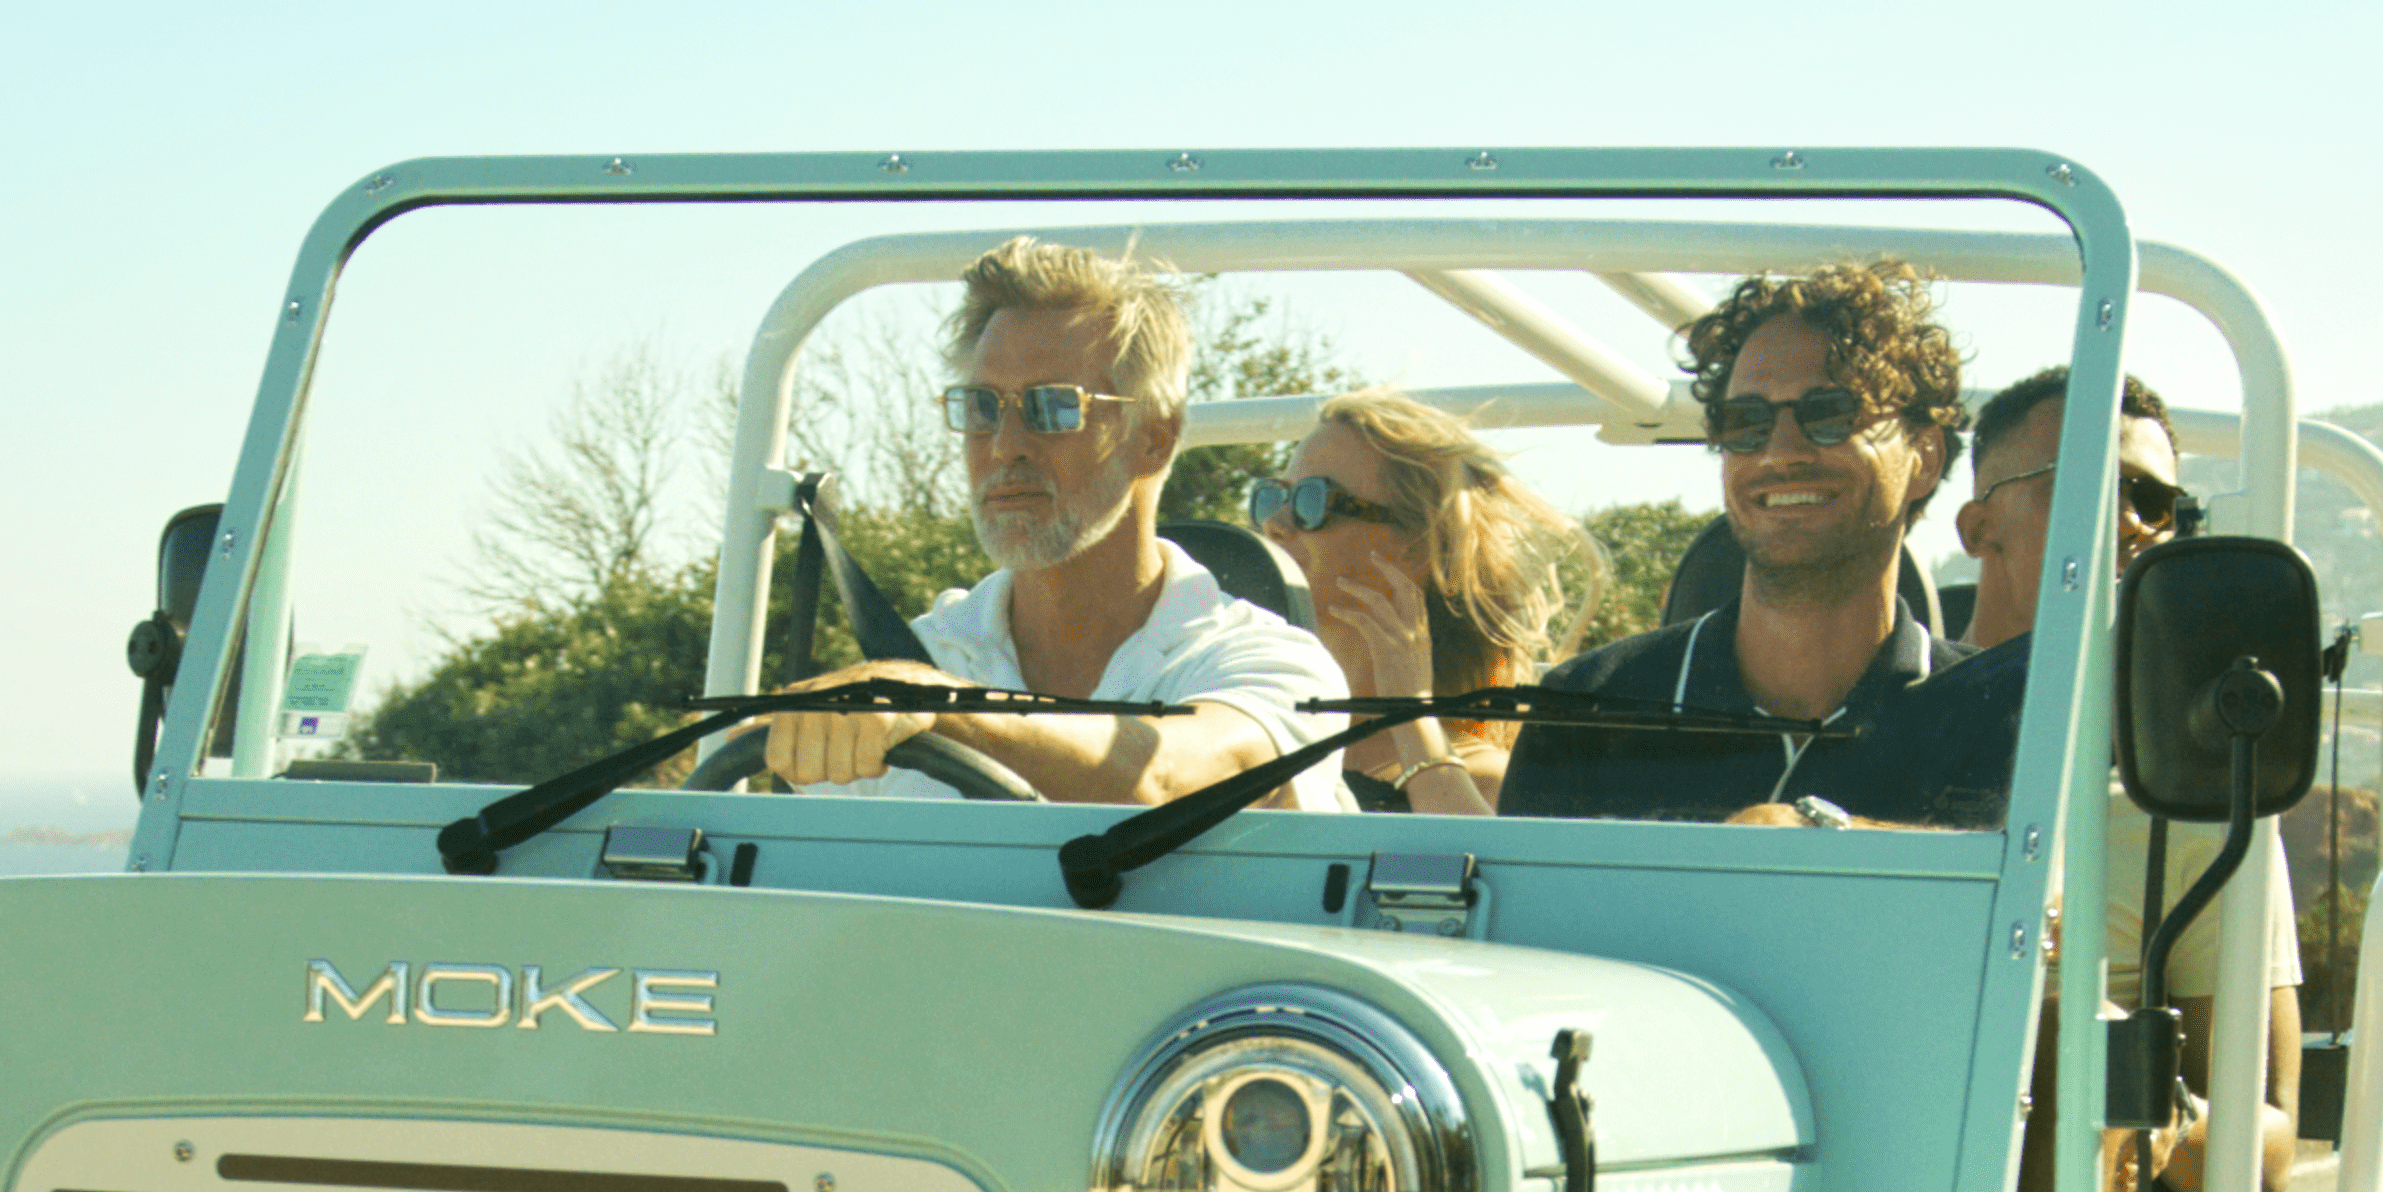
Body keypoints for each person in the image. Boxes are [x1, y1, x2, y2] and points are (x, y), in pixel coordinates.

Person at [760, 243, 1350, 805]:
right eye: (982, 407)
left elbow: (1164, 777)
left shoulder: (1269, 665)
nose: (1005, 446)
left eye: (1054, 407)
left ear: (1153, 438)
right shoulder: (925, 660)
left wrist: (942, 709)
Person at [1496, 262, 2018, 829]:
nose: (1780, 450)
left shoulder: (2004, 718)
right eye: (1745, 420)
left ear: (1925, 456)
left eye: (1830, 414)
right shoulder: (1587, 709)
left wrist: (1830, 840)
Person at [1961, 366, 2300, 1192]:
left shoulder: (2188, 796)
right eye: (2081, 485)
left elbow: (2263, 1150)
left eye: (2155, 503)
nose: (2126, 522)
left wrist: (2111, 1084)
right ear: (1977, 526)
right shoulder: (1880, 726)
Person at [1248, 390, 1599, 819]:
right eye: (1274, 496)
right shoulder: (1244, 723)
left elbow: (1487, 869)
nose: (1276, 523)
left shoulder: (1482, 780)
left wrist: (1410, 712)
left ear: (1417, 547)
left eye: (1312, 499)